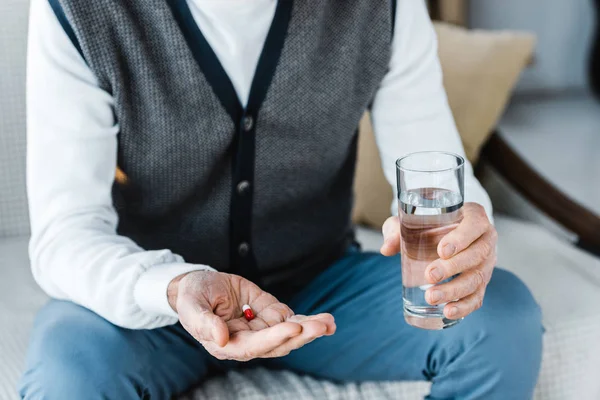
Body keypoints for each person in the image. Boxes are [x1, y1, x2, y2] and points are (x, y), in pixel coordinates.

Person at [19, 0, 543, 399]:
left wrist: (468, 230)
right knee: (69, 369)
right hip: (156, 302)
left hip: (322, 287)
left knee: (502, 319)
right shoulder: (76, 12)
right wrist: (175, 288)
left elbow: (434, 164)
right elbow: (66, 231)